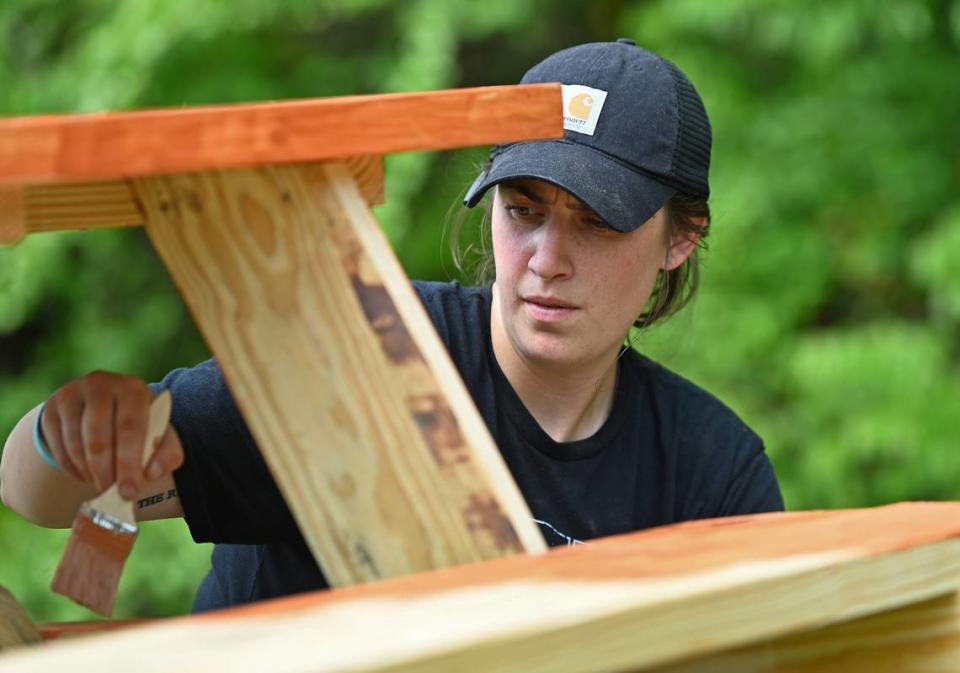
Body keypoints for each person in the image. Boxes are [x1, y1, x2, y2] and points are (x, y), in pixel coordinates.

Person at [0, 39, 783, 611]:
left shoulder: (712, 471)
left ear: (681, 238)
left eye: (598, 224)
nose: (547, 259)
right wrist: (66, 433)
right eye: (524, 212)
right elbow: (34, 493)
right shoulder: (364, 348)